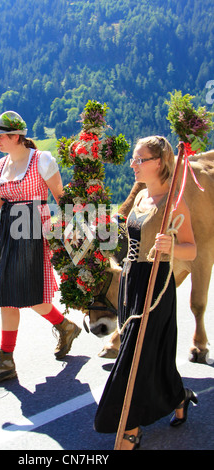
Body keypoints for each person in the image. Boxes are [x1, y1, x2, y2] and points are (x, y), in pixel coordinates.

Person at [94, 136, 198, 450]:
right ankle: (178, 395)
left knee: (134, 359)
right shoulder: (140, 199)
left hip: (156, 285)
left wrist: (173, 247)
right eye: (134, 159)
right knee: (149, 354)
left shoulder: (174, 202)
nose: (133, 164)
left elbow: (192, 250)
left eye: (140, 159)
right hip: (132, 281)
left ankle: (130, 429)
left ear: (159, 162)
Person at [0, 111, 81, 386]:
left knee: (25, 295)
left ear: (17, 136)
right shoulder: (0, 167)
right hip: (7, 232)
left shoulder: (42, 161)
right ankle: (62, 328)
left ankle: (10, 358)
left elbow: (61, 198)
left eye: (1, 136)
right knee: (10, 296)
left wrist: (71, 232)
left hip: (31, 229)